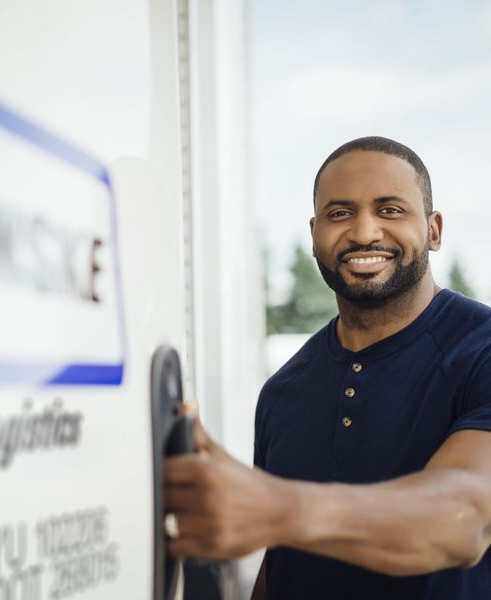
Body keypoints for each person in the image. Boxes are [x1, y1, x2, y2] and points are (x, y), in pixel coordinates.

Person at [164, 136, 491, 599]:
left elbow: (467, 519)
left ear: (434, 230)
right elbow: (279, 567)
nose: (363, 232)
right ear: (315, 232)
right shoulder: (283, 388)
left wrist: (276, 507)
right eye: (340, 213)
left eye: (390, 210)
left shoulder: (480, 349)